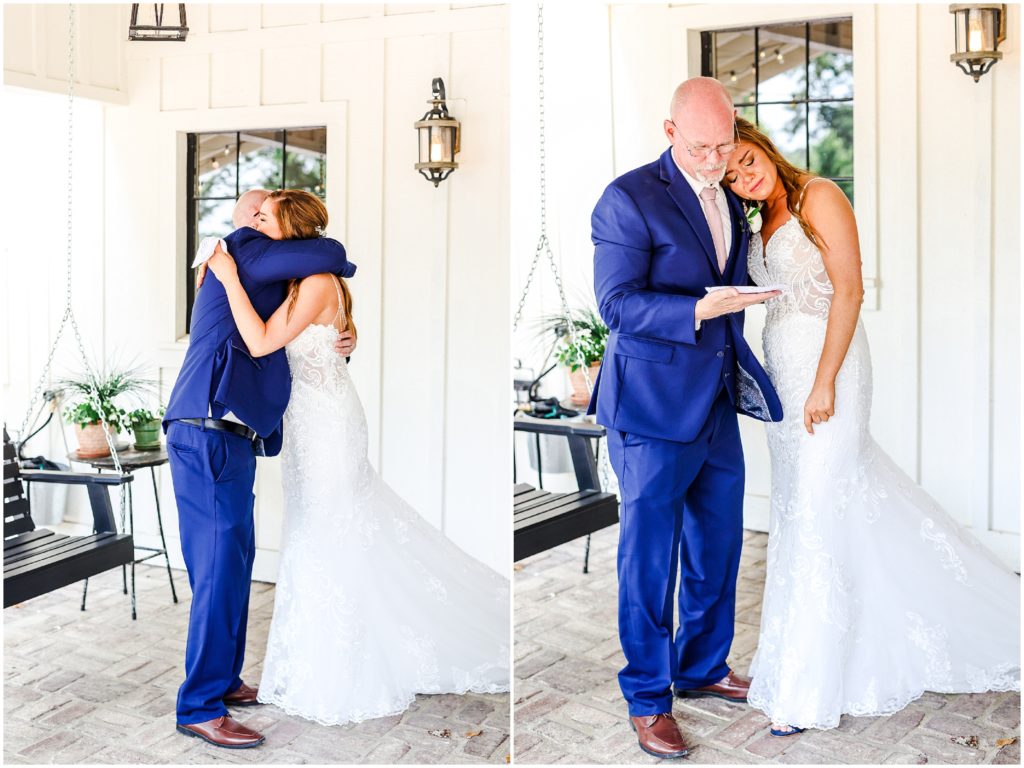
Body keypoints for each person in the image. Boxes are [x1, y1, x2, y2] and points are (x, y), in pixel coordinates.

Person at [722, 116, 1021, 736]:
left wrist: (826, 379)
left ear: (764, 147)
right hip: (785, 375)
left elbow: (850, 292)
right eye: (730, 175)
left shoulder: (819, 196)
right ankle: (807, 655)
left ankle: (810, 687)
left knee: (822, 507)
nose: (744, 178)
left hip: (831, 370)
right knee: (806, 511)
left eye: (746, 161)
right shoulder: (757, 220)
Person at [205, 189, 509, 726]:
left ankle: (342, 668)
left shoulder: (319, 281)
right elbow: (331, 338)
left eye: (267, 218)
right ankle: (323, 657)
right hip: (309, 424)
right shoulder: (305, 281)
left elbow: (259, 344)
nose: (258, 225)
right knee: (319, 532)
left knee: (330, 533)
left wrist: (227, 278)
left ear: (289, 230)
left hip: (326, 425)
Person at [588, 77, 783, 759]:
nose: (713, 160)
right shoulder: (627, 198)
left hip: (716, 402)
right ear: (671, 133)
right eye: (699, 147)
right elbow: (615, 306)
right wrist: (698, 309)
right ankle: (648, 698)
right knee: (648, 560)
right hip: (648, 409)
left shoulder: (733, 188)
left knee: (718, 545)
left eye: (723, 145)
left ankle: (702, 666)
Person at [163, 189, 357, 749]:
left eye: (267, 211)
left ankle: (222, 679)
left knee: (234, 560)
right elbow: (333, 253)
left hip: (228, 432)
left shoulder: (260, 271)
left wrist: (339, 335)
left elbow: (301, 329)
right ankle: (198, 705)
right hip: (208, 427)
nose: (257, 218)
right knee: (220, 566)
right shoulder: (243, 250)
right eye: (258, 210)